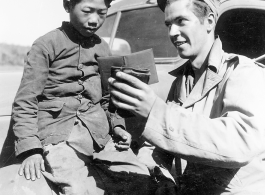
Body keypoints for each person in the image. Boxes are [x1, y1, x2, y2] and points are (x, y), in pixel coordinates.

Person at [108, 0, 265, 194]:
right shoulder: (181, 81)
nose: (172, 33)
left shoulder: (242, 71)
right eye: (168, 25)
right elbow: (157, 147)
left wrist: (155, 112)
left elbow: (241, 142)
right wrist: (162, 176)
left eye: (181, 21)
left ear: (209, 22)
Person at [12, 0, 151, 194]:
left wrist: (117, 126)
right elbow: (25, 101)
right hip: (57, 137)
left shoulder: (102, 47)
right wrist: (31, 150)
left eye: (102, 13)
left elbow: (106, 98)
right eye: (87, 11)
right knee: (79, 189)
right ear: (68, 6)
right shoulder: (45, 45)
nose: (94, 20)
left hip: (100, 135)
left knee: (140, 178)